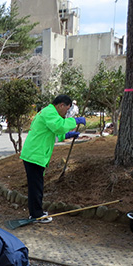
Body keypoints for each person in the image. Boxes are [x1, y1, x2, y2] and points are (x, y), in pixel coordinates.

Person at [20, 95, 86, 223]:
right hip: (35, 155)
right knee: (36, 187)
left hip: (34, 154)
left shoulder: (48, 112)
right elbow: (59, 126)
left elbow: (54, 132)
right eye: (66, 110)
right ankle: (36, 214)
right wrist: (76, 121)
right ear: (61, 105)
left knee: (36, 186)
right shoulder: (50, 112)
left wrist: (67, 135)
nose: (66, 113)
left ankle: (36, 212)